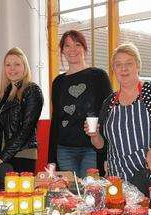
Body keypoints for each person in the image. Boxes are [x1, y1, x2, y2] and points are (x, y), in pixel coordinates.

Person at [85, 43, 151, 181]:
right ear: (113, 70)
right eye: (118, 64)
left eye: (129, 63)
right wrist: (94, 135)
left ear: (138, 66)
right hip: (119, 179)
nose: (123, 68)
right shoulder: (109, 103)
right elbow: (103, 146)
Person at [48, 30, 112, 178]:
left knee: (90, 194)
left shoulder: (99, 76)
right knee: (70, 196)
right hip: (64, 149)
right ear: (62, 50)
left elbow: (109, 115)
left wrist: (108, 153)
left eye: (77, 44)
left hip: (92, 148)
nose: (72, 50)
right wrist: (51, 160)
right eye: (67, 45)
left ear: (84, 47)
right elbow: (56, 120)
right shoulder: (58, 82)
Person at [0, 47, 43, 186]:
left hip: (22, 154)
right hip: (2, 155)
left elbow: (26, 129)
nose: (12, 68)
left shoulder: (32, 90)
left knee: (19, 199)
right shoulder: (4, 94)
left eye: (17, 64)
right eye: (8, 64)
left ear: (24, 66)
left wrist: (1, 157)